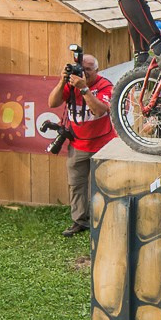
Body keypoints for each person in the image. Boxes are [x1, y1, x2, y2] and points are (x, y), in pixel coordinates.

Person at [46, 51, 114, 237]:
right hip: (78, 145)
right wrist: (62, 81)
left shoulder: (105, 86)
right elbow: (52, 102)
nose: (84, 73)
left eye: (88, 70)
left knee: (104, 185)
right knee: (76, 185)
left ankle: (104, 220)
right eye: (81, 69)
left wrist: (84, 89)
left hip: (103, 144)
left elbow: (100, 111)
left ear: (97, 70)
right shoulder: (71, 84)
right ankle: (79, 220)